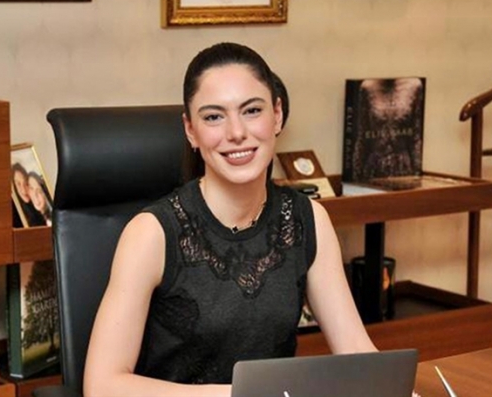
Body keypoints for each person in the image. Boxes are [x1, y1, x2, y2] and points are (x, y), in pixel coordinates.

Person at [83, 42, 377, 397]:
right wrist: (242, 395)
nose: (236, 132)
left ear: (277, 115)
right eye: (213, 117)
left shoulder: (307, 219)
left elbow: (356, 352)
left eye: (252, 110)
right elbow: (102, 386)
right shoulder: (151, 233)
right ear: (191, 130)